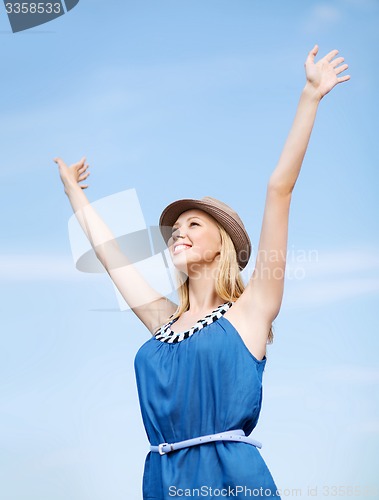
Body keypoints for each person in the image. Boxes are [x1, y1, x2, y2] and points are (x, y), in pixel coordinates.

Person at [54, 45, 350, 499]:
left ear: (222, 246)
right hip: (163, 482)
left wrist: (310, 97)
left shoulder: (251, 312)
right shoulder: (162, 322)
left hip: (231, 483)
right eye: (175, 228)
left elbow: (279, 190)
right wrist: (74, 192)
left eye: (195, 224)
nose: (178, 233)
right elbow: (111, 256)